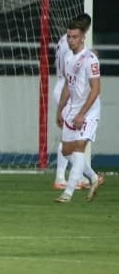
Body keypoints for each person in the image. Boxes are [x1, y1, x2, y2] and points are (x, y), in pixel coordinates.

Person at [55, 18, 104, 204]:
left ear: (83, 38)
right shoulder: (68, 57)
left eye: (74, 37)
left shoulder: (90, 59)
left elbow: (96, 89)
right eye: (69, 37)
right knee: (66, 150)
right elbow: (69, 84)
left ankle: (67, 194)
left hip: (89, 111)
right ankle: (94, 177)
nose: (70, 40)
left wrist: (83, 113)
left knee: (78, 149)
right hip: (73, 109)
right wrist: (60, 108)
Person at [51, 13, 94, 191]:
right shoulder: (72, 42)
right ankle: (61, 177)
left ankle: (80, 176)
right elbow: (75, 68)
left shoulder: (64, 39)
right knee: (69, 136)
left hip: (62, 85)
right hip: (67, 89)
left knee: (73, 136)